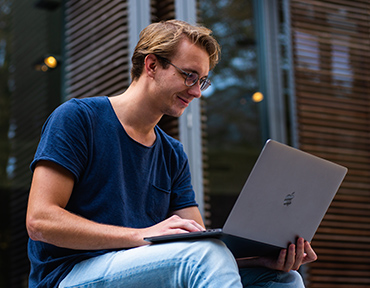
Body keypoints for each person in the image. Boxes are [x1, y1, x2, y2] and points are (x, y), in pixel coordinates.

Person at [26, 19, 317, 288]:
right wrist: (140, 235)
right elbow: (40, 221)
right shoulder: (78, 119)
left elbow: (200, 242)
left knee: (283, 279)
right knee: (202, 255)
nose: (197, 92)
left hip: (141, 269)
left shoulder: (172, 153)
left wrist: (259, 260)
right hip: (69, 274)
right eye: (190, 76)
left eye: (202, 81)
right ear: (151, 65)